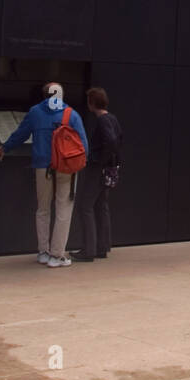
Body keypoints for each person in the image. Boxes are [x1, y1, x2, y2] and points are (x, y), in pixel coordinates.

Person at [0, 82, 89, 268]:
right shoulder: (72, 114)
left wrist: (4, 148)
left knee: (43, 209)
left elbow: (20, 134)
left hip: (42, 166)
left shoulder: (35, 112)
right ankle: (57, 255)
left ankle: (43, 252)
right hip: (65, 168)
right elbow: (83, 145)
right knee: (63, 210)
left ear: (44, 95)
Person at [72, 86, 121, 262]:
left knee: (85, 206)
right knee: (101, 205)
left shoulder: (102, 121)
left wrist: (99, 160)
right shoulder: (113, 119)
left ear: (91, 103)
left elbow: (111, 141)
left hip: (98, 169)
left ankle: (89, 249)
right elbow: (117, 140)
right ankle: (102, 246)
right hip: (109, 170)